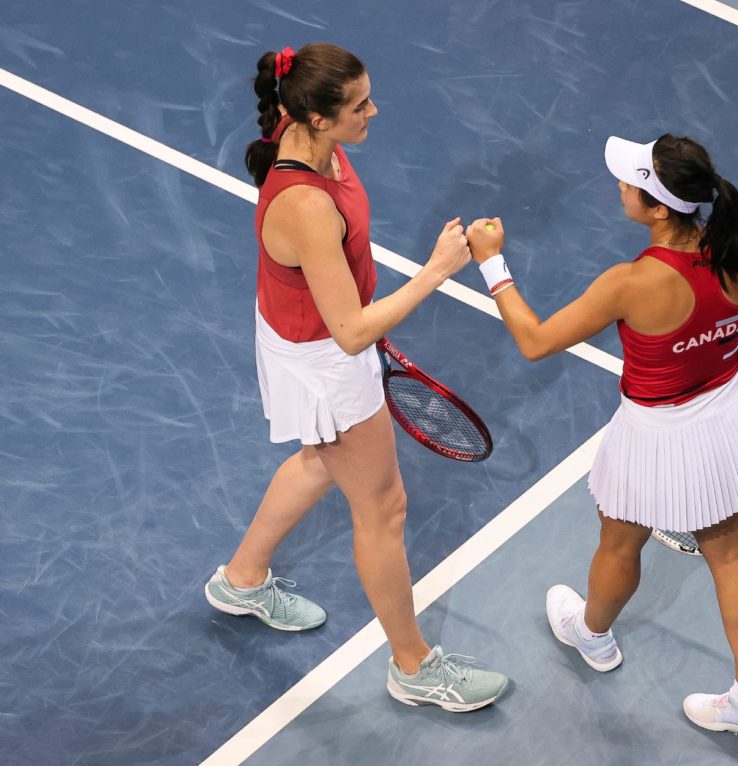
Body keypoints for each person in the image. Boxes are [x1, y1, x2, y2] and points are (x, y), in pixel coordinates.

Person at [203, 43, 508, 712]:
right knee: (384, 510)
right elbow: (349, 331)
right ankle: (413, 666)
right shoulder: (306, 202)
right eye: (358, 105)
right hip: (325, 356)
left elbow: (339, 294)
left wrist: (362, 311)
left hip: (303, 331)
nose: (374, 110)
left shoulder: (311, 142)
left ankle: (242, 579)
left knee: (318, 461)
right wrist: (436, 271)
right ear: (315, 117)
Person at [466, 134, 738, 741]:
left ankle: (592, 636)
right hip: (726, 413)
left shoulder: (631, 283)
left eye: (629, 182)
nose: (618, 186)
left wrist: (491, 261)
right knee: (729, 555)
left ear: (660, 208)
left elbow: (535, 342)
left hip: (655, 431)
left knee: (619, 544)